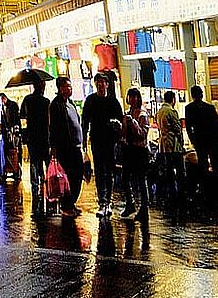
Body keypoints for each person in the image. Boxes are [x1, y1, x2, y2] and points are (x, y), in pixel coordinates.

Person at [81, 72, 124, 217]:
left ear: (107, 84)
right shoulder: (90, 100)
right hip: (96, 140)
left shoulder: (113, 101)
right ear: (95, 84)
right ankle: (102, 202)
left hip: (110, 141)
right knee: (99, 172)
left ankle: (109, 202)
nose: (100, 85)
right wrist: (84, 142)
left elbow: (120, 120)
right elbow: (85, 121)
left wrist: (117, 129)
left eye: (103, 82)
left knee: (110, 171)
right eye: (98, 82)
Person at [49, 76, 86, 218]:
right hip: (64, 148)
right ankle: (66, 206)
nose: (69, 89)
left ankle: (71, 204)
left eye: (70, 86)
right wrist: (54, 147)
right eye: (66, 86)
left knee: (77, 175)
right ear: (60, 88)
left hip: (76, 146)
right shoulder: (55, 105)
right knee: (67, 178)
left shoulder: (70, 103)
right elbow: (53, 127)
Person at [184, 85, 218, 211]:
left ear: (192, 95)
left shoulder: (189, 108)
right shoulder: (210, 108)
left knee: (203, 167)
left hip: (200, 142)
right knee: (217, 167)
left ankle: (206, 192)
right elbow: (217, 126)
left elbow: (189, 127)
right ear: (201, 94)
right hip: (212, 141)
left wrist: (194, 141)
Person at [19, 79, 50, 215]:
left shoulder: (27, 100)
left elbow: (22, 116)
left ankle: (35, 186)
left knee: (34, 162)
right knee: (46, 162)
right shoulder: (46, 102)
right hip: (44, 137)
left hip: (32, 137)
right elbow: (49, 121)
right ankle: (47, 184)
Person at [155, 91, 187, 220]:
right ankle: (180, 195)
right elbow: (178, 130)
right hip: (173, 145)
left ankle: (171, 193)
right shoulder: (171, 112)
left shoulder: (159, 112)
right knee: (179, 171)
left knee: (168, 171)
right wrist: (182, 143)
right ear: (173, 99)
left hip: (163, 145)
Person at [119, 89, 151, 221]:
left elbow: (143, 134)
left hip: (140, 151)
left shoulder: (143, 114)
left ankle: (144, 209)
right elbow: (124, 133)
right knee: (125, 178)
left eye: (134, 97)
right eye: (130, 97)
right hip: (129, 150)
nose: (132, 99)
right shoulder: (127, 113)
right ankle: (130, 203)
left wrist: (133, 122)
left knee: (141, 180)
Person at [0, 92, 23, 184]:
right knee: (9, 152)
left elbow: (15, 119)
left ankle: (16, 171)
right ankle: (11, 171)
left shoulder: (12, 105)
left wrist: (15, 131)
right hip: (7, 134)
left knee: (15, 152)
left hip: (14, 133)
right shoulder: (3, 108)